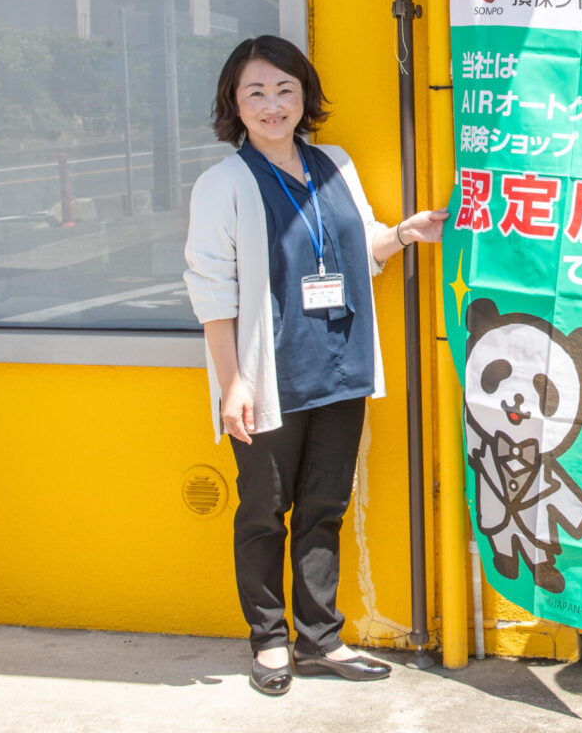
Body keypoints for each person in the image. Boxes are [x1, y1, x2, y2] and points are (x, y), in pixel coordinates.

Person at [183, 35, 446, 696]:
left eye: (285, 90)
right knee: (264, 511)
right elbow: (211, 293)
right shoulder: (223, 184)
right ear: (234, 103)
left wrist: (405, 233)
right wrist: (232, 383)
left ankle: (320, 639)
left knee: (325, 506)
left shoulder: (334, 163)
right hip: (269, 375)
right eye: (256, 92)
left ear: (305, 96)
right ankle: (269, 642)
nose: (273, 104)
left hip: (341, 366)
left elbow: (362, 246)